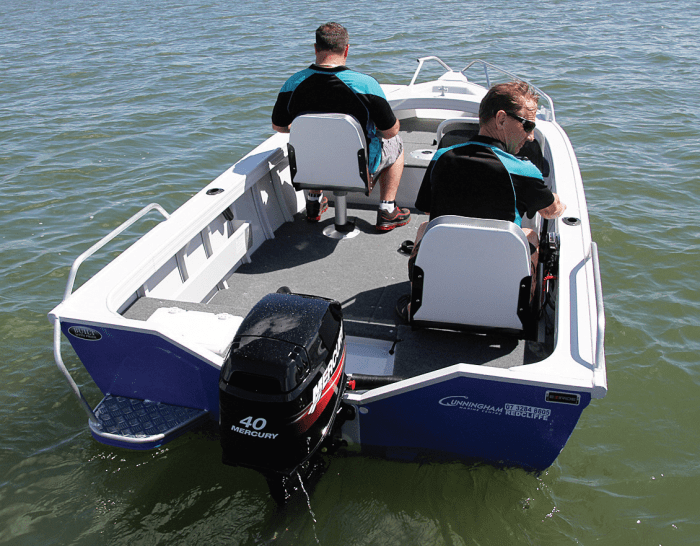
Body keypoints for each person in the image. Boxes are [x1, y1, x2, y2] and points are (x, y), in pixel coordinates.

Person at [398, 81, 566, 320]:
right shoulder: (524, 171)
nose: (530, 137)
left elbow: (427, 210)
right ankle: (526, 308)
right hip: (501, 289)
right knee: (530, 235)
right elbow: (550, 211)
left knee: (425, 227)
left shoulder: (441, 157)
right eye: (528, 125)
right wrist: (558, 201)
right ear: (501, 119)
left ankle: (417, 304)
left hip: (446, 276)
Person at [271, 22, 410, 231]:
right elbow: (390, 131)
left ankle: (314, 202)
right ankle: (387, 210)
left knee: (312, 140)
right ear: (346, 49)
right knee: (396, 143)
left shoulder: (293, 84)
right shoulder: (365, 84)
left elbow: (279, 126)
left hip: (311, 169)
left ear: (316, 48)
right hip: (358, 171)